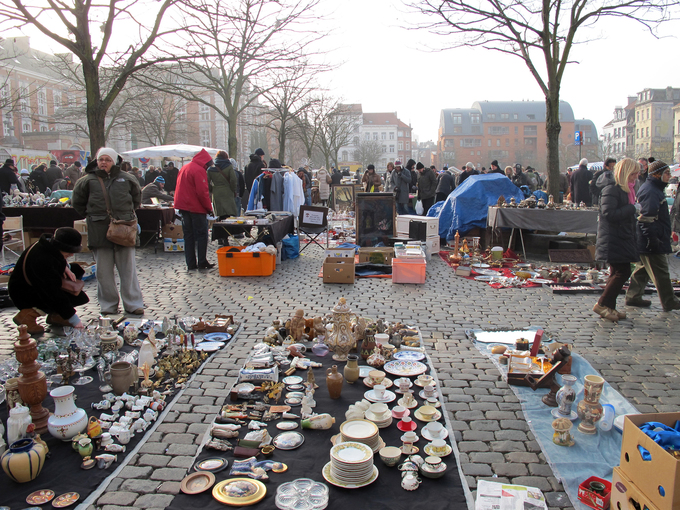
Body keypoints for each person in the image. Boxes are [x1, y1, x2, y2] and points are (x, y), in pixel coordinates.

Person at [72, 147, 145, 316]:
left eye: (107, 159)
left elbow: (136, 199)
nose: (103, 162)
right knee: (103, 272)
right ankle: (108, 305)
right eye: (101, 159)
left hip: (124, 228)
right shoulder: (87, 181)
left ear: (114, 161)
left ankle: (133, 304)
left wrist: (123, 215)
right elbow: (78, 203)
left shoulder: (127, 179)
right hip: (99, 229)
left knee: (128, 270)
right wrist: (93, 216)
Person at [9, 227, 89, 334]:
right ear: (60, 246)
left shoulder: (49, 247)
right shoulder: (42, 259)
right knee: (58, 298)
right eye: (69, 251)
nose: (72, 255)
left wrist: (66, 267)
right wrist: (74, 319)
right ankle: (27, 316)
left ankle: (56, 315)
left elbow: (56, 262)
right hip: (23, 293)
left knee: (76, 272)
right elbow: (52, 293)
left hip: (36, 284)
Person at [625, 160, 680, 311]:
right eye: (667, 173)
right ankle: (669, 300)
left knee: (642, 269)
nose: (669, 176)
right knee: (660, 270)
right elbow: (646, 218)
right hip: (650, 238)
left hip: (649, 237)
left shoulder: (653, 188)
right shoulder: (651, 191)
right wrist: (652, 239)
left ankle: (633, 296)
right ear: (658, 174)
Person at [593, 159, 640, 322]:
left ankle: (609, 307)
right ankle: (602, 304)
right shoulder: (612, 189)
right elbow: (609, 213)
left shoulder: (625, 190)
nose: (636, 177)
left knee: (616, 272)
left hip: (621, 236)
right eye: (633, 173)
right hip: (614, 237)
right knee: (623, 271)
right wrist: (632, 208)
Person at [174, 149, 215, 270]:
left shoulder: (185, 168)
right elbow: (202, 193)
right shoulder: (199, 170)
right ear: (206, 163)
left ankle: (190, 263)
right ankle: (202, 261)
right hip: (196, 208)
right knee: (202, 234)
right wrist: (209, 208)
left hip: (184, 207)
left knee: (188, 235)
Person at [207, 150, 237, 220]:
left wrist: (212, 189)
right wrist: (233, 189)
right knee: (229, 214)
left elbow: (207, 182)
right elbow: (233, 180)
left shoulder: (210, 169)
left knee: (220, 214)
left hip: (217, 192)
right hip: (228, 191)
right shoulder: (229, 167)